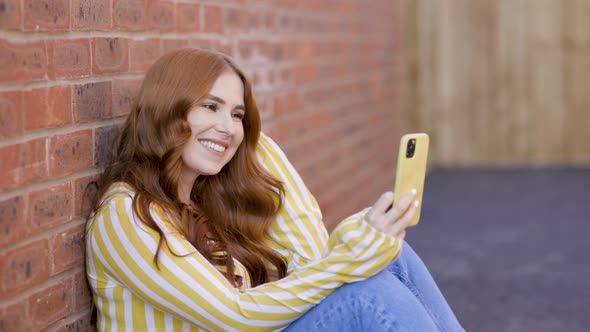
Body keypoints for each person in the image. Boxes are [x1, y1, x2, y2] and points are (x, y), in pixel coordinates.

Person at [85, 48, 464, 331]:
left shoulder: (206, 199)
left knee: (393, 259)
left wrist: (256, 148)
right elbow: (236, 314)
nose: (229, 127)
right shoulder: (125, 215)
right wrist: (348, 259)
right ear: (167, 111)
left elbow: (308, 256)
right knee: (369, 296)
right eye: (210, 106)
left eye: (237, 115)